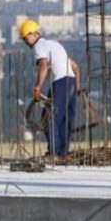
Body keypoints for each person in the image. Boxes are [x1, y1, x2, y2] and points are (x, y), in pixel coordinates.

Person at [19, 19, 78, 158]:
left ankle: (54, 152)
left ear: (34, 34)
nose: (25, 41)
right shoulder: (54, 44)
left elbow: (43, 66)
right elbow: (75, 66)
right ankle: (62, 152)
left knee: (48, 118)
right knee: (65, 118)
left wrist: (38, 86)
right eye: (23, 39)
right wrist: (78, 86)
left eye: (26, 38)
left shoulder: (39, 47)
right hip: (71, 80)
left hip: (61, 82)